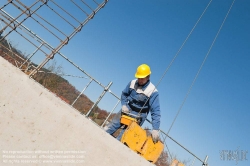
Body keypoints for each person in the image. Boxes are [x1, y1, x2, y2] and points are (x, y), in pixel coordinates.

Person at [104, 64, 161, 143]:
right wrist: (124, 105)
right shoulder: (132, 83)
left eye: (142, 78)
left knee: (124, 136)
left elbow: (155, 111)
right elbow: (124, 94)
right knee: (111, 126)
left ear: (148, 77)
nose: (139, 80)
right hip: (127, 109)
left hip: (139, 115)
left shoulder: (153, 91)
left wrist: (155, 129)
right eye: (139, 77)